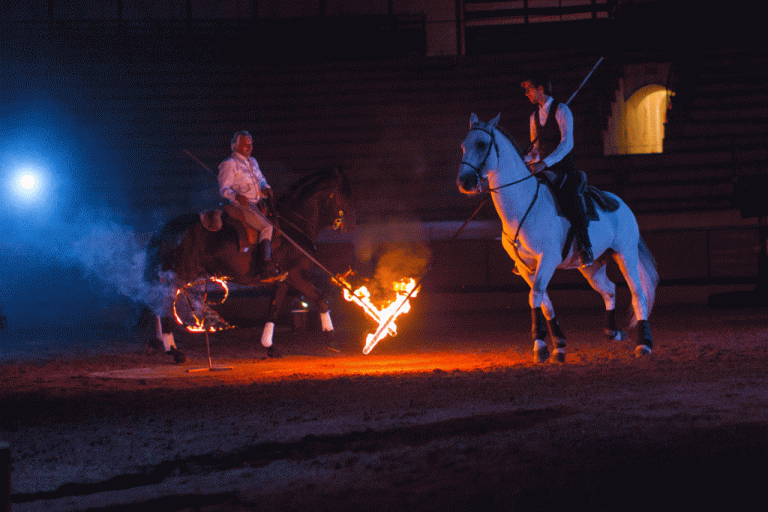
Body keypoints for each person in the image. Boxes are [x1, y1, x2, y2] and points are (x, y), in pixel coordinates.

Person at [521, 71, 593, 266]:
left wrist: (545, 162)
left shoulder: (562, 110)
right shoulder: (533, 116)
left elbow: (567, 143)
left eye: (529, 89)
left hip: (565, 168)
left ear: (540, 89)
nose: (526, 93)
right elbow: (536, 150)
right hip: (545, 170)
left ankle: (585, 246)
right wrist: (523, 160)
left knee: (570, 197)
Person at [218, 130, 286, 282]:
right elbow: (224, 188)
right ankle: (265, 268)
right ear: (234, 146)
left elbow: (261, 179)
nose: (249, 148)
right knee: (267, 227)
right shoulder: (229, 164)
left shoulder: (253, 162)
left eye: (250, 144)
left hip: (258, 203)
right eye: (245, 145)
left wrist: (265, 187)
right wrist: (235, 196)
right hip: (242, 206)